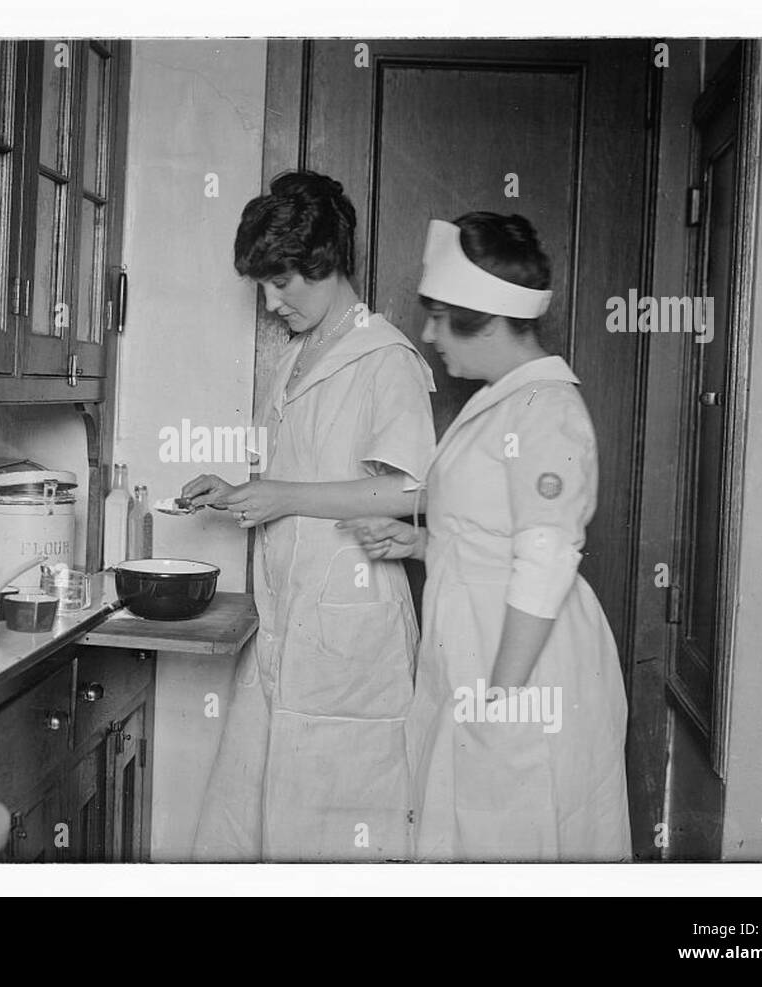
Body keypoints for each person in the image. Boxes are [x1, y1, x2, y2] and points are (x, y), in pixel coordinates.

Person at [340, 213, 632, 861]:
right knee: (472, 828)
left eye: (442, 317)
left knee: (516, 827)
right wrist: (417, 544)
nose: (428, 333)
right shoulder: (499, 400)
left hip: (522, 659)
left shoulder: (546, 409)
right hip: (479, 643)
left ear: (489, 318)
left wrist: (502, 695)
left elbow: (548, 554)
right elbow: (491, 532)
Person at [182, 171, 437, 861]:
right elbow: (314, 475)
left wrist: (284, 494)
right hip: (287, 630)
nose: (269, 302)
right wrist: (244, 489)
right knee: (255, 829)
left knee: (340, 841)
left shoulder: (386, 361)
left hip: (352, 644)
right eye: (262, 285)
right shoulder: (297, 358)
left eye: (282, 281)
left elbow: (408, 492)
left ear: (326, 262)